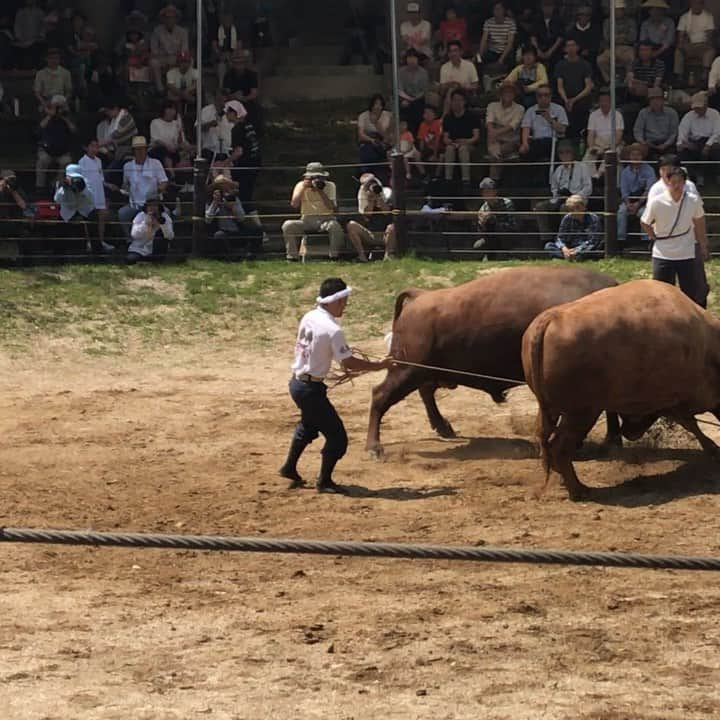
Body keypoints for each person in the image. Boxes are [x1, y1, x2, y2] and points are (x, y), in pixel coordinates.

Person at [280, 277, 393, 493]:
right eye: (343, 300)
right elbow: (348, 362)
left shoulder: (310, 316)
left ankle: (289, 467)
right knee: (337, 438)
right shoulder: (333, 329)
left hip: (298, 384)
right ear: (335, 300)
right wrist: (379, 365)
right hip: (310, 389)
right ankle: (324, 481)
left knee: (309, 426)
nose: (345, 305)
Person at [647, 154, 707, 307]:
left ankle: (699, 309)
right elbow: (648, 219)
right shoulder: (656, 190)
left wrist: (702, 243)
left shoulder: (690, 189)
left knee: (696, 282)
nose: (665, 172)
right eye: (663, 169)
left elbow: (698, 216)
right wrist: (655, 235)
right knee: (663, 286)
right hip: (665, 243)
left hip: (689, 241)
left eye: (668, 168)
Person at [281, 162, 345, 261]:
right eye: (313, 177)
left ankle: (334, 256)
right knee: (288, 225)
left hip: (326, 219)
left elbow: (331, 207)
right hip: (306, 219)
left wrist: (320, 191)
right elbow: (294, 204)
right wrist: (303, 188)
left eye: (319, 177)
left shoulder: (330, 185)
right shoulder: (300, 185)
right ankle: (292, 256)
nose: (316, 180)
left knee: (335, 227)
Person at [536, 140, 592, 243]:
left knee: (564, 208)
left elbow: (588, 187)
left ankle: (565, 239)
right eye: (561, 152)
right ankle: (546, 239)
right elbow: (554, 187)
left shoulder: (582, 167)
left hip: (578, 199)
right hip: (559, 199)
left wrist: (575, 197)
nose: (564, 155)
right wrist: (557, 194)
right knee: (540, 207)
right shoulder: (558, 170)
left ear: (573, 153)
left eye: (567, 152)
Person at [119, 136, 169, 239]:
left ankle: (161, 242)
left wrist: (157, 191)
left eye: (142, 149)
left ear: (146, 150)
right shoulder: (127, 166)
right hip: (135, 204)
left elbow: (164, 181)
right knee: (122, 213)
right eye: (137, 149)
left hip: (152, 204)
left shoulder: (155, 163)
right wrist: (124, 190)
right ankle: (131, 241)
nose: (140, 151)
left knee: (166, 214)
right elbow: (125, 185)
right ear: (133, 151)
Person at [204, 174, 263, 259]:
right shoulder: (210, 201)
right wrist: (215, 203)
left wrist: (233, 208)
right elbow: (208, 220)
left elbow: (242, 218)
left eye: (227, 188)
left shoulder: (234, 199)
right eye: (222, 189)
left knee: (257, 230)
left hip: (237, 231)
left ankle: (252, 254)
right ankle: (229, 256)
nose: (225, 192)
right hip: (223, 232)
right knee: (219, 236)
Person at [519, 84, 568, 176]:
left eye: (546, 95)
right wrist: (524, 143)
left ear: (550, 96)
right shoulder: (531, 110)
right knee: (525, 153)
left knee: (561, 152)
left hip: (554, 141)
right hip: (536, 141)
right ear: (536, 97)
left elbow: (562, 130)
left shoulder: (559, 109)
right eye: (540, 95)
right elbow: (526, 128)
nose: (543, 98)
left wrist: (550, 119)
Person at [346, 173, 395, 261]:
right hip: (369, 233)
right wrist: (370, 200)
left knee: (392, 227)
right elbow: (367, 214)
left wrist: (379, 198)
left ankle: (387, 256)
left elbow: (386, 212)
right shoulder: (363, 196)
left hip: (385, 234)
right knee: (351, 225)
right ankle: (362, 256)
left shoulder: (384, 192)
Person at [79, 138, 118, 249]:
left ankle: (101, 241)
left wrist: (108, 185)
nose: (95, 149)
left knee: (101, 217)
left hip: (99, 192)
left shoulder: (98, 161)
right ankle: (89, 242)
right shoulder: (82, 162)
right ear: (86, 148)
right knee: (89, 218)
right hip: (88, 194)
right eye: (92, 146)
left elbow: (100, 178)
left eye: (97, 146)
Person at [53, 163, 100, 255]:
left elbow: (92, 199)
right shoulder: (61, 184)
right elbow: (57, 200)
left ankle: (98, 253)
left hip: (85, 209)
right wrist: (64, 188)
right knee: (60, 231)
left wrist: (82, 189)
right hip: (68, 210)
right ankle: (59, 255)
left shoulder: (86, 182)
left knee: (93, 224)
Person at [677, 91, 720, 187]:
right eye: (695, 108)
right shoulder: (689, 116)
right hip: (694, 142)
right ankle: (691, 176)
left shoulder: (715, 114)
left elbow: (717, 132)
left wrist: (708, 145)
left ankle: (713, 175)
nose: (697, 110)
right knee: (683, 152)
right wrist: (681, 143)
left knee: (713, 150)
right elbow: (682, 130)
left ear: (706, 105)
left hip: (712, 142)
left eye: (699, 107)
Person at [554, 37, 594, 138]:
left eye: (573, 45)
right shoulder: (560, 65)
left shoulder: (585, 64)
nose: (571, 48)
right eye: (568, 46)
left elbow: (588, 87)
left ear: (577, 47)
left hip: (581, 98)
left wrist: (574, 100)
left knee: (581, 108)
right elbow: (560, 86)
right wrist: (566, 100)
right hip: (565, 98)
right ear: (565, 49)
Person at [35, 95, 76, 192]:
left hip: (63, 152)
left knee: (66, 162)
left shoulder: (67, 116)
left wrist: (63, 117)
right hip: (46, 150)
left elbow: (74, 130)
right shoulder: (45, 115)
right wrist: (50, 115)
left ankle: (57, 185)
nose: (58, 109)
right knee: (42, 160)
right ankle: (39, 187)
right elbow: (38, 131)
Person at [618, 143, 656, 244]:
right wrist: (628, 203)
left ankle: (646, 241)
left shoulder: (649, 170)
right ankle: (620, 240)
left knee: (643, 213)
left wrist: (638, 203)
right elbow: (624, 190)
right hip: (629, 201)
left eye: (638, 154)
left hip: (645, 201)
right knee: (622, 212)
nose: (635, 157)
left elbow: (649, 189)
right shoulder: (625, 172)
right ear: (629, 157)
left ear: (642, 156)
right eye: (633, 155)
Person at [485, 81, 524, 180]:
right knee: (495, 152)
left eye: (510, 92)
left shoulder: (519, 108)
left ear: (514, 94)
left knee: (496, 153)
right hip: (494, 139)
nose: (508, 94)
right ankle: (496, 182)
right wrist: (492, 134)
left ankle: (492, 181)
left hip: (512, 141)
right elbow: (489, 122)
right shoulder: (492, 106)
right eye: (505, 92)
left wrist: (496, 132)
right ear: (501, 94)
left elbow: (512, 126)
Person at [545, 194, 602, 259]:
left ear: (584, 207)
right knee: (548, 245)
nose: (575, 211)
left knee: (595, 248)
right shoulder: (567, 218)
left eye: (578, 207)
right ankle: (571, 256)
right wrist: (564, 249)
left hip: (586, 247)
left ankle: (570, 256)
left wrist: (577, 250)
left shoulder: (593, 218)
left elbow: (593, 241)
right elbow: (560, 238)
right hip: (570, 247)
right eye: (572, 209)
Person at [583, 88, 624, 178]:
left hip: (613, 143)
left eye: (606, 101)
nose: (604, 103)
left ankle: (600, 173)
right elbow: (590, 134)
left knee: (612, 154)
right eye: (601, 101)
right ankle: (591, 178)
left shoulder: (617, 115)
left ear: (611, 102)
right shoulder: (593, 115)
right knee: (587, 157)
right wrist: (591, 147)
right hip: (597, 143)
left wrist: (609, 146)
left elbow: (619, 135)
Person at [442, 89, 480, 185]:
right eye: (454, 100)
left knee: (463, 149)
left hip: (468, 144)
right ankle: (448, 179)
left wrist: (466, 141)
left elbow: (476, 137)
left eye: (460, 100)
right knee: (449, 149)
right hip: (453, 144)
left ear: (464, 102)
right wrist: (449, 141)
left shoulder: (472, 116)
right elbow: (445, 137)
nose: (457, 103)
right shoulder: (447, 118)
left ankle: (466, 180)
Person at [228, 100, 262, 204]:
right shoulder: (249, 125)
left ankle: (245, 215)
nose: (226, 115)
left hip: (245, 165)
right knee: (248, 193)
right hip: (255, 162)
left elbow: (239, 151)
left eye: (227, 113)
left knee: (243, 194)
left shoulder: (237, 129)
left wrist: (225, 162)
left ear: (234, 113)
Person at [149, 4, 189, 94]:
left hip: (177, 58)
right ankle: (160, 89)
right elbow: (153, 49)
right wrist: (164, 61)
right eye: (167, 17)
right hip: (161, 58)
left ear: (176, 19)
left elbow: (184, 49)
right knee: (153, 62)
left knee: (188, 61)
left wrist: (176, 61)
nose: (169, 20)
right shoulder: (157, 31)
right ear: (163, 19)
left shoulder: (183, 32)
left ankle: (181, 88)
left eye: (172, 17)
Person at [473, 177, 516, 258]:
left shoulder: (507, 203)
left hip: (506, 235)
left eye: (489, 191)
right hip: (490, 238)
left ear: (495, 191)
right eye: (484, 192)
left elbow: (513, 225)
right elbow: (480, 232)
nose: (486, 194)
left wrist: (494, 219)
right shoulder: (483, 208)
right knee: (478, 246)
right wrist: (481, 223)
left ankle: (505, 255)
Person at [674, 0, 714, 85]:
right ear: (690, 4)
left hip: (703, 45)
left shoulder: (708, 16)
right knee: (678, 51)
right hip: (689, 45)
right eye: (693, 3)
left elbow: (710, 34)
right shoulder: (684, 17)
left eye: (698, 3)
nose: (696, 5)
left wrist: (708, 44)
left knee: (710, 51)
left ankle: (704, 76)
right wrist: (680, 43)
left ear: (702, 5)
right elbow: (680, 34)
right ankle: (679, 78)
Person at [633, 87, 679, 160]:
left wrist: (665, 145)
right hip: (649, 144)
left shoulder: (672, 113)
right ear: (649, 101)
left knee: (672, 157)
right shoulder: (643, 113)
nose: (655, 102)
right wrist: (642, 142)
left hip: (667, 144)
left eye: (658, 99)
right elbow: (638, 131)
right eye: (652, 99)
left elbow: (674, 133)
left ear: (663, 100)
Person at [127, 193, 174, 264]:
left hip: (156, 250)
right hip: (139, 249)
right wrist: (145, 224)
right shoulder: (140, 216)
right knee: (130, 260)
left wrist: (162, 225)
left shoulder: (165, 217)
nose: (152, 208)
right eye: (149, 205)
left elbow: (170, 236)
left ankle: (153, 261)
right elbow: (134, 235)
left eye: (155, 205)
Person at [597, 0, 637, 83]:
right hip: (611, 47)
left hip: (627, 47)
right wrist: (622, 36)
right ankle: (610, 81)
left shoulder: (631, 21)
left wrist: (616, 37)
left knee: (631, 58)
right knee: (600, 60)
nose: (618, 12)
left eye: (620, 10)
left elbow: (632, 37)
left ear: (624, 10)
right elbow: (607, 37)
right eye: (616, 10)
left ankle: (628, 80)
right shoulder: (607, 22)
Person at [149, 100, 191, 177]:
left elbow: (179, 142)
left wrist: (180, 131)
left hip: (173, 151)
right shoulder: (155, 122)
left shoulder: (175, 124)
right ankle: (172, 175)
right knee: (163, 151)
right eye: (169, 109)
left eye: (173, 109)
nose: (172, 111)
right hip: (158, 150)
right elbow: (156, 140)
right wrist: (167, 146)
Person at [221, 49, 260, 130]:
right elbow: (225, 93)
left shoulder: (251, 75)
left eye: (241, 63)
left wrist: (243, 99)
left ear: (245, 63)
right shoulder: (228, 75)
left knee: (254, 110)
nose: (238, 65)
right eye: (236, 63)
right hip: (232, 103)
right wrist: (234, 96)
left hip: (247, 102)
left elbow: (254, 93)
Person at [98, 99, 139, 174]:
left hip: (128, 151)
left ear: (115, 109)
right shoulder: (115, 119)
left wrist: (100, 144)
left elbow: (118, 135)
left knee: (109, 173)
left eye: (108, 111)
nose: (107, 113)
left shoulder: (126, 117)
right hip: (118, 151)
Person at [357, 94, 392, 178]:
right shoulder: (363, 116)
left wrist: (376, 123)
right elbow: (361, 134)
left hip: (383, 140)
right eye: (376, 104)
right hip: (367, 140)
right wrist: (371, 140)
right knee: (368, 152)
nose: (377, 107)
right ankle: (365, 174)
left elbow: (387, 136)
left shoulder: (387, 115)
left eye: (380, 104)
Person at [639, 0, 675, 78]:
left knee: (668, 54)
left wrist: (656, 53)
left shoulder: (669, 22)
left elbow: (669, 41)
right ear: (649, 11)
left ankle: (666, 80)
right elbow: (643, 40)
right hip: (649, 46)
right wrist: (648, 51)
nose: (656, 13)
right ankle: (644, 78)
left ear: (663, 11)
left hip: (664, 48)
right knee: (641, 53)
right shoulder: (645, 23)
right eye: (653, 10)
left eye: (658, 10)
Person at [504, 45, 548, 109]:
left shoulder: (539, 67)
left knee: (527, 102)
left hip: (533, 93)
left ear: (535, 57)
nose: (528, 57)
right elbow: (508, 80)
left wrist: (529, 88)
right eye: (525, 55)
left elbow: (544, 81)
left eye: (530, 55)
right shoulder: (519, 68)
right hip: (519, 93)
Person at [439, 40, 478, 108]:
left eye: (455, 50)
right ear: (448, 54)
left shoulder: (469, 65)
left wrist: (462, 87)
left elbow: (475, 86)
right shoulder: (444, 67)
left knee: (455, 93)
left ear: (461, 52)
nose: (453, 54)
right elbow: (442, 89)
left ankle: (444, 117)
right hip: (450, 95)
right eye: (450, 51)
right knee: (452, 90)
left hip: (466, 94)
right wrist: (450, 84)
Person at [398, 48, 428, 133]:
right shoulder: (400, 72)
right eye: (409, 57)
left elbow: (423, 90)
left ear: (418, 59)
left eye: (414, 58)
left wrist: (412, 100)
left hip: (418, 99)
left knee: (417, 106)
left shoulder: (423, 72)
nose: (411, 60)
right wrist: (406, 99)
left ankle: (416, 134)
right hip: (403, 98)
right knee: (403, 106)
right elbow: (399, 88)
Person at [478, 1, 516, 69]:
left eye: (499, 9)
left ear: (503, 10)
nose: (497, 11)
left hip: (506, 51)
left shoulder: (511, 23)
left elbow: (510, 43)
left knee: (512, 61)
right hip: (492, 51)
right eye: (495, 9)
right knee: (478, 61)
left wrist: (501, 59)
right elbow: (484, 40)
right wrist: (480, 55)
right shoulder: (488, 22)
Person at [33, 48, 73, 112]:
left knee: (64, 112)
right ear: (46, 59)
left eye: (56, 58)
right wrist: (44, 103)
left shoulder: (66, 73)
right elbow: (37, 92)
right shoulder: (40, 73)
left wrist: (63, 101)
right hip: (46, 101)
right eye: (51, 58)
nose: (54, 60)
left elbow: (69, 91)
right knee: (44, 112)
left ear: (59, 59)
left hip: (61, 101)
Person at [530, 0, 564, 73]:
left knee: (558, 60)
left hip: (554, 49)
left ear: (553, 8)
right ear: (542, 8)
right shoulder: (537, 19)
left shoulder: (558, 20)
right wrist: (538, 50)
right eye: (545, 7)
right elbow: (533, 37)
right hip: (540, 48)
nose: (547, 9)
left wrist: (550, 51)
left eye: (549, 7)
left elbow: (560, 38)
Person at [198, 91, 233, 159]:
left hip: (227, 151)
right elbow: (197, 129)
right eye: (219, 100)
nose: (221, 103)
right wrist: (210, 124)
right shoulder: (206, 111)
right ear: (215, 100)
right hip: (209, 150)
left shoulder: (231, 112)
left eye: (224, 101)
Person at [13, 0, 45, 69]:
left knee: (35, 50)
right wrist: (18, 36)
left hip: (35, 39)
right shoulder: (21, 11)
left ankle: (34, 67)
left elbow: (43, 25)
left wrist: (41, 35)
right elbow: (17, 25)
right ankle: (20, 68)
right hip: (22, 39)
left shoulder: (40, 12)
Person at [416, 104, 443, 176]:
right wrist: (421, 152)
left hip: (438, 148)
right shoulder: (422, 125)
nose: (427, 115)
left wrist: (435, 155)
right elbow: (421, 140)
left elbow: (438, 139)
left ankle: (436, 176)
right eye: (425, 113)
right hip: (427, 148)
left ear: (435, 115)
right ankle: (424, 175)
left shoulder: (438, 124)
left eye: (429, 113)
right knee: (417, 154)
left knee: (441, 157)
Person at [212, 11, 239, 84]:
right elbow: (214, 46)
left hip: (233, 56)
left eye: (229, 19)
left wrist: (231, 55)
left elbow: (239, 45)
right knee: (221, 65)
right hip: (220, 56)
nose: (228, 20)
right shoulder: (217, 30)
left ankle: (233, 85)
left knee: (232, 64)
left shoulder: (236, 29)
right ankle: (221, 86)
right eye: (226, 19)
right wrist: (220, 54)